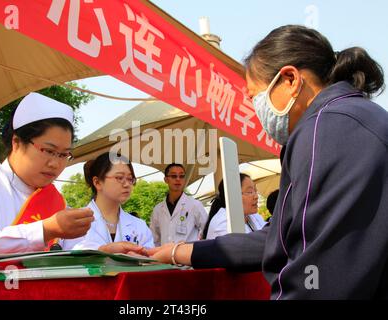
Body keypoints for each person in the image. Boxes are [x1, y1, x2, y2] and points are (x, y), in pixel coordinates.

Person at [147, 25, 388, 299]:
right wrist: (183, 251)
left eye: (254, 96)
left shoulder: (327, 127)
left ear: (289, 79)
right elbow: (283, 238)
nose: (255, 108)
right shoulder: (351, 117)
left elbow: (318, 273)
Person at [0, 93, 142, 279]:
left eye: (64, 155)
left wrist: (103, 253)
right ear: (17, 142)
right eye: (48, 150)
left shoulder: (56, 200)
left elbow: (72, 253)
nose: (55, 163)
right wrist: (46, 229)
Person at [62, 152, 154, 250]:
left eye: (130, 179)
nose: (127, 184)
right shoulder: (75, 221)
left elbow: (150, 259)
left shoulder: (139, 225)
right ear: (97, 182)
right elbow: (72, 258)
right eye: (119, 178)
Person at [150, 163, 208, 246]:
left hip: (187, 256)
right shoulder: (158, 209)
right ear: (166, 179)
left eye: (181, 176)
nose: (178, 179)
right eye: (174, 176)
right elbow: (154, 238)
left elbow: (206, 230)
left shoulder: (195, 204)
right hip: (164, 257)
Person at [203, 174, 267, 239]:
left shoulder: (252, 216)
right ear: (233, 195)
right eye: (250, 192)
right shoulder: (223, 224)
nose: (256, 196)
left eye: (255, 191)